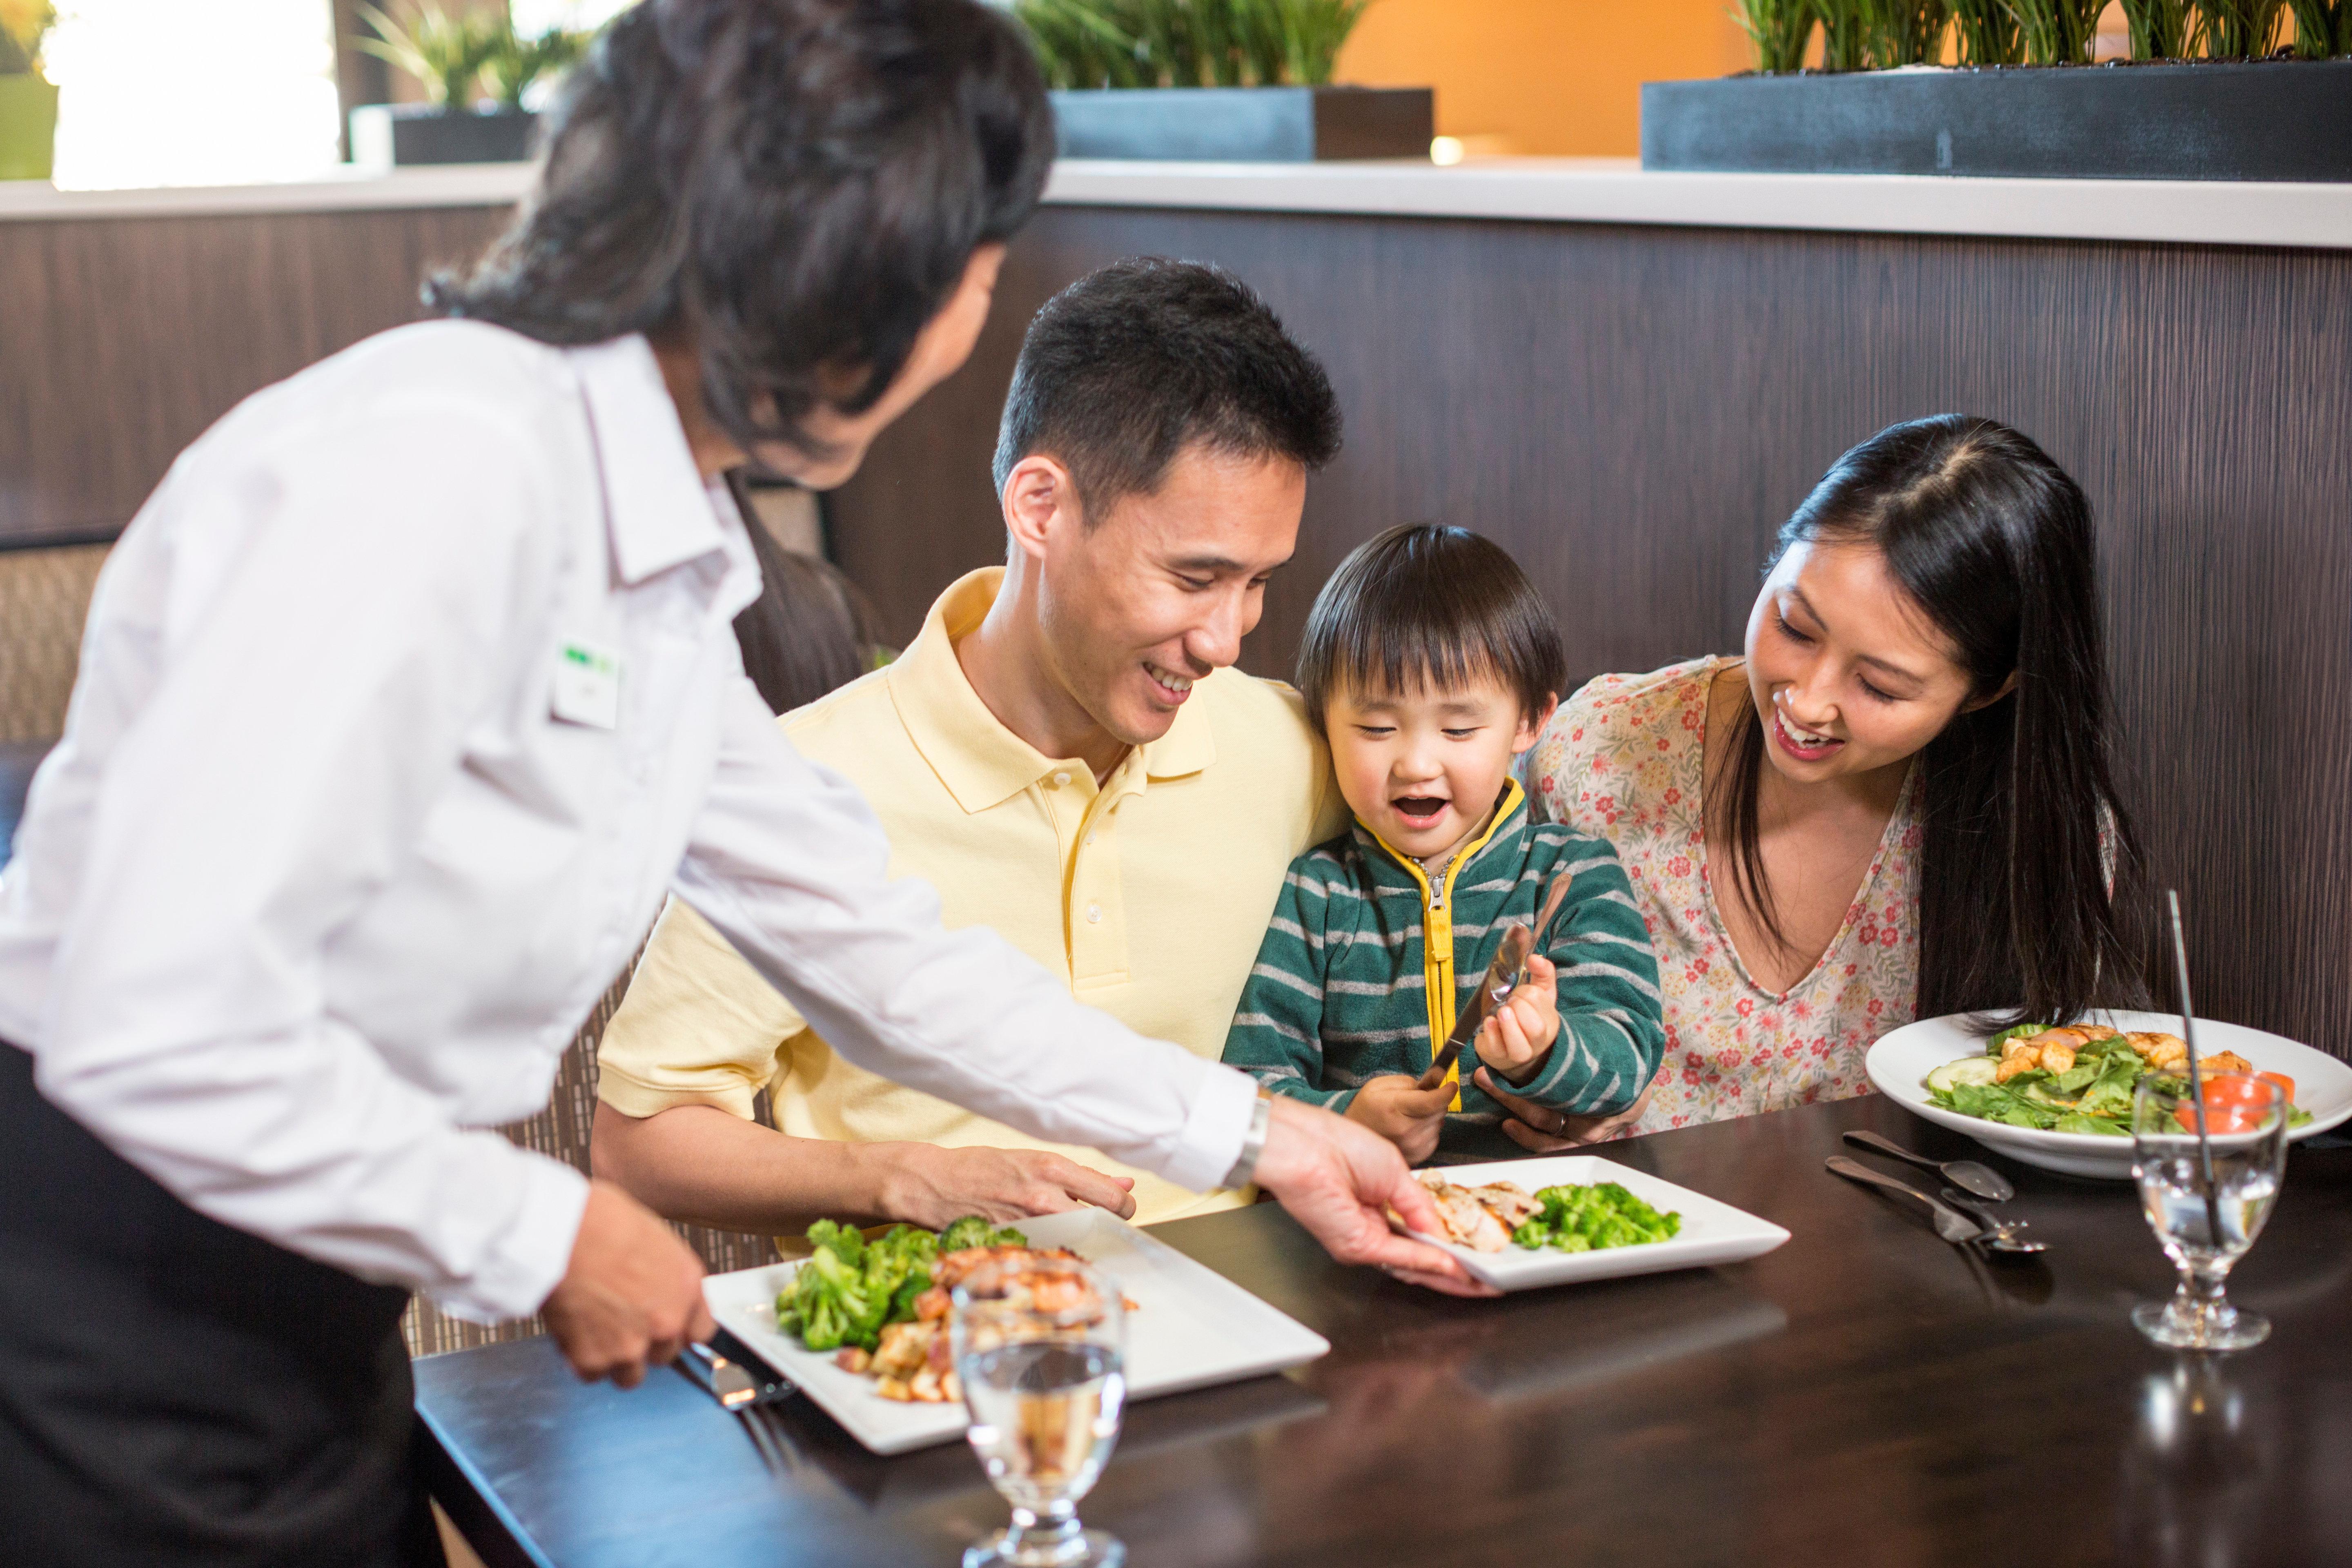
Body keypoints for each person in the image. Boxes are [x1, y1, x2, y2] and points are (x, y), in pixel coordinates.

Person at [0, 7, 1466, 1565]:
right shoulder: (427, 470)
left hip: (308, 1282)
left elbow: (874, 950)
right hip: (104, 1294)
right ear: (854, 271)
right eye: (978, 266)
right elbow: (146, 1019)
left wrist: (1266, 1138)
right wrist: (549, 1232)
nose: (982, 312)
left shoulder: (658, 535)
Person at [592, 257, 1356, 1236]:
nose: (1226, 638)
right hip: (941, 1354)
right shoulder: (804, 783)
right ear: (1040, 508)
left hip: (1255, 1325)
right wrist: (896, 1180)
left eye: (1257, 583)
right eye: (1194, 576)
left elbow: (1484, 826)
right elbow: (636, 1144)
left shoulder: (1282, 746)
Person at [1511, 414, 2146, 1147]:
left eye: (1879, 686)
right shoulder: (1599, 755)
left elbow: (2035, 1108)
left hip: (1903, 1250)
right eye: (1795, 627)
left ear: (1989, 691)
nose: (1807, 701)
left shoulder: (2035, 838)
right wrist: (1537, 1092)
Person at [1223, 524, 1666, 1163]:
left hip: (1543, 1206)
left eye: (1459, 729)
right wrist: (1346, 1118)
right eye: (1376, 727)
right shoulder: (1316, 893)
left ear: (1529, 722)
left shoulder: (1573, 876)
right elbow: (1249, 1089)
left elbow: (1629, 1057)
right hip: (1364, 1210)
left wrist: (1546, 1049)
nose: (1416, 764)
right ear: (1323, 723)